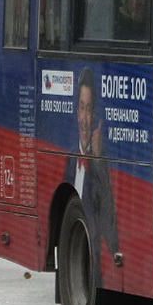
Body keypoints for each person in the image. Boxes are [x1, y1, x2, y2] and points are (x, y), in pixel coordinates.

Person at [63, 67, 119, 281]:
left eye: (90, 110)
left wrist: (98, 164)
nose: (85, 119)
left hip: (97, 277)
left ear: (94, 116)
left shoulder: (99, 165)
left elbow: (112, 237)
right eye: (81, 108)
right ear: (76, 112)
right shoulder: (70, 160)